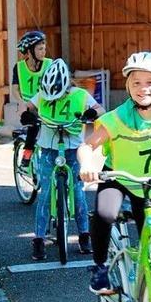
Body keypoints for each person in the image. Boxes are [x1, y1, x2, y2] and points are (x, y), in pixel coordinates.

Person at [78, 51, 151, 294]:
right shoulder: (117, 118)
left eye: (150, 82)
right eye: (136, 83)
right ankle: (99, 267)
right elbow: (87, 145)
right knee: (106, 213)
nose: (143, 88)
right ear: (128, 86)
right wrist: (87, 165)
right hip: (119, 178)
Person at [26, 58, 104, 260]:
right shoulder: (43, 93)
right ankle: (39, 239)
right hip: (49, 147)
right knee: (44, 194)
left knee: (77, 191)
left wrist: (91, 113)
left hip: (72, 148)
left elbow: (100, 110)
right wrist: (29, 115)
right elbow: (29, 106)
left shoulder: (80, 95)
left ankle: (84, 235)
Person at [12, 30, 52, 167]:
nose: (43, 52)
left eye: (44, 48)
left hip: (45, 105)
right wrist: (21, 102)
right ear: (29, 51)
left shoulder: (49, 64)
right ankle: (27, 153)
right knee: (33, 126)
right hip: (28, 108)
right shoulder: (19, 67)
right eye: (40, 49)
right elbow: (15, 89)